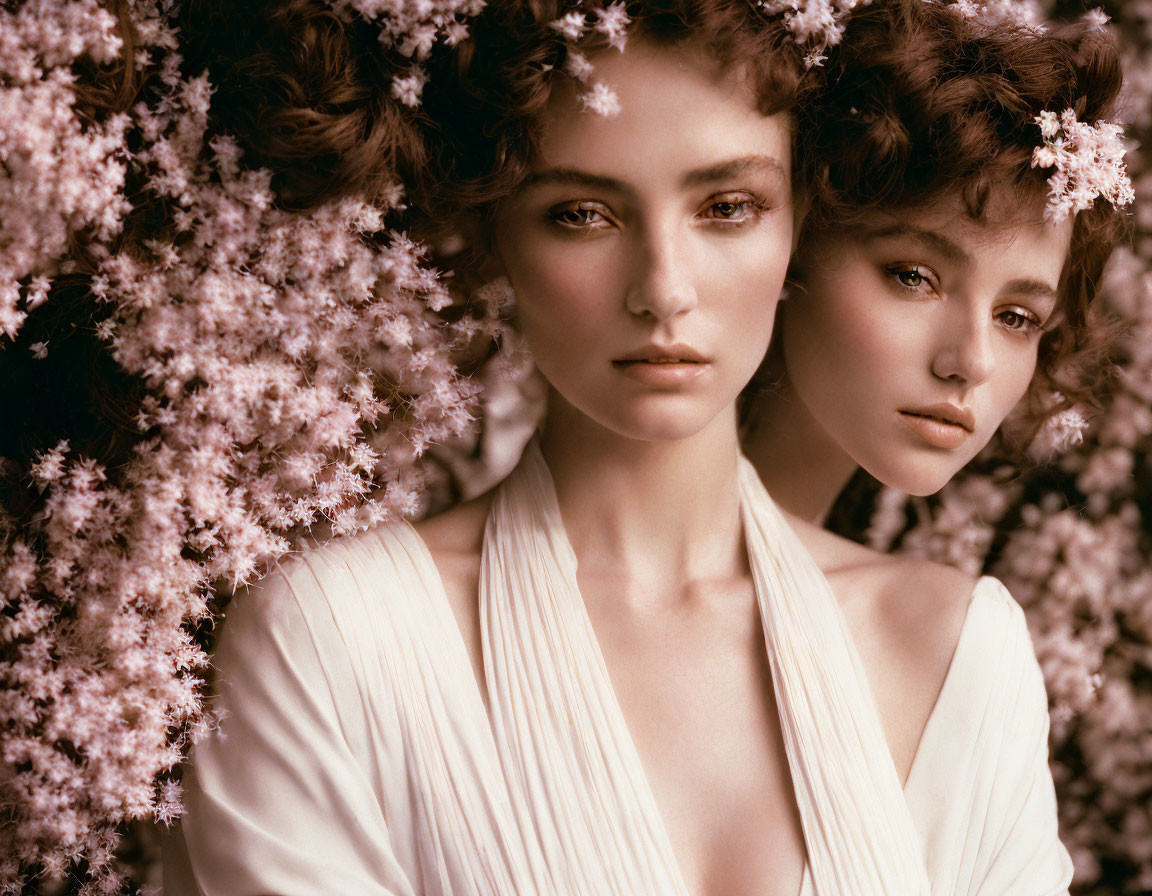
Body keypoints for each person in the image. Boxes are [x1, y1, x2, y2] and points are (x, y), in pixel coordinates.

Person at [165, 2, 1088, 894]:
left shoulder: (961, 654)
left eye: (727, 206)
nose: (664, 290)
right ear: (491, 234)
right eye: (581, 214)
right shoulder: (332, 643)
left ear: (803, 225)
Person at [744, 0, 1130, 523]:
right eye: (914, 279)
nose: (972, 363)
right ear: (797, 240)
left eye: (1016, 318)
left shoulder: (937, 605)